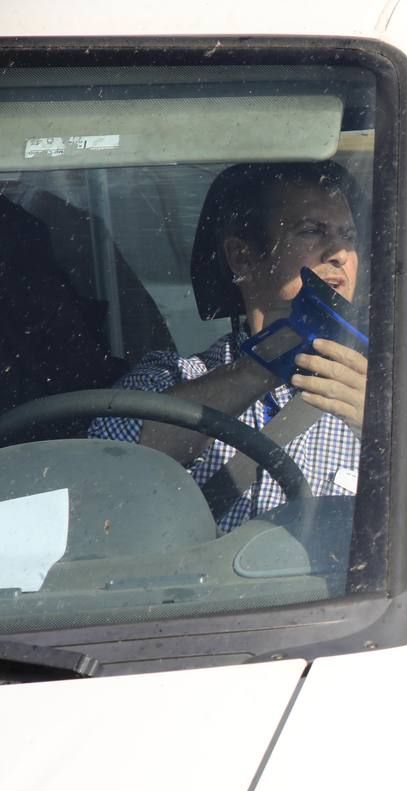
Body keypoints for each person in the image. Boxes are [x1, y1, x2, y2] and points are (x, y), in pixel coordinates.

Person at [91, 161, 367, 533]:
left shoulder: (396, 398)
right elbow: (104, 462)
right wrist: (263, 363)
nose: (339, 253)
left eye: (348, 236)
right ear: (243, 257)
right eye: (311, 231)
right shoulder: (176, 377)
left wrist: (384, 427)